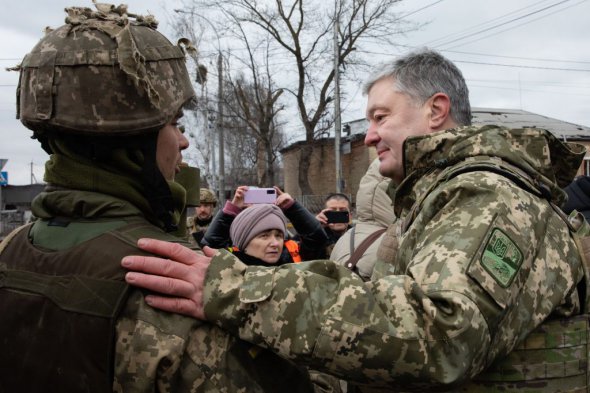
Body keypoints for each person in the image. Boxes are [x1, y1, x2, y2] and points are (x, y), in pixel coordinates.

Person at [121, 48, 590, 391]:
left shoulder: (487, 195)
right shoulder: (439, 195)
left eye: (381, 117)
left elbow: (440, 333)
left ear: (436, 110)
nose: (368, 136)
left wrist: (231, 289)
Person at [0, 4, 316, 392]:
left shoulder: (8, 251)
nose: (182, 140)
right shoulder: (172, 284)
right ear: (131, 142)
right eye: (173, 123)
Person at [204, 185, 328, 263]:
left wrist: (292, 208)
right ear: (244, 241)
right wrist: (232, 209)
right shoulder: (232, 261)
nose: (275, 243)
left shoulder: (292, 255)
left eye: (279, 235)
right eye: (264, 236)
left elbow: (317, 240)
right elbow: (209, 247)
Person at [330, 158, 395, 281]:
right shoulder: (393, 239)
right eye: (333, 211)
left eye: (342, 210)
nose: (337, 214)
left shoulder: (346, 237)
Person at [314, 193, 353, 258]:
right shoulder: (317, 236)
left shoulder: (357, 236)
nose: (338, 215)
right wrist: (313, 226)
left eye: (343, 211)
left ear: (350, 216)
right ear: (325, 214)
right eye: (333, 212)